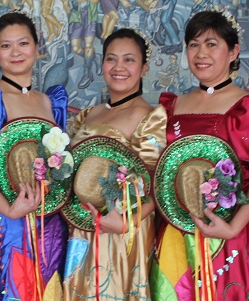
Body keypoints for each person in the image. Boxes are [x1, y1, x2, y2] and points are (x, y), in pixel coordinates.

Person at [149, 10, 249, 300]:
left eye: (211, 44)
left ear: (233, 52)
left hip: (230, 233)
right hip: (175, 234)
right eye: (194, 44)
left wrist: (232, 228)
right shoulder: (173, 105)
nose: (201, 53)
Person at [0, 12, 69, 300]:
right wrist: (9, 210)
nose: (16, 52)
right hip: (8, 219)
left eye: (23, 43)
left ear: (37, 48)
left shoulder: (50, 101)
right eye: (6, 45)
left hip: (50, 221)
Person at [61, 28, 166, 300]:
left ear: (144, 67)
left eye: (129, 60)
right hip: (81, 227)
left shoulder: (150, 116)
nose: (119, 67)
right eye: (111, 59)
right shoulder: (90, 113)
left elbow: (158, 183)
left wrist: (125, 222)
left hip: (123, 231)